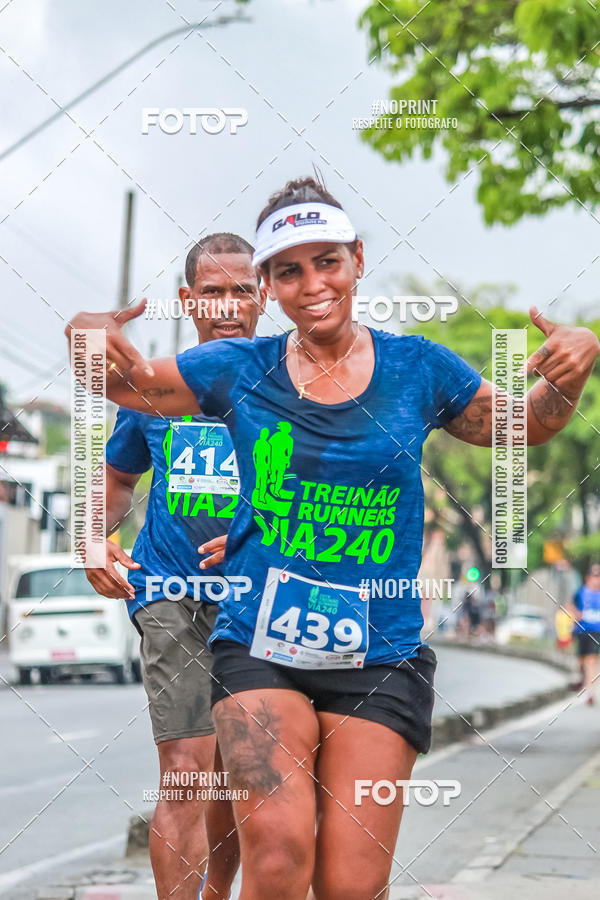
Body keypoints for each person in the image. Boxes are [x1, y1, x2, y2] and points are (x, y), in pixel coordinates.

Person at [66, 175, 600, 900]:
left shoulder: (419, 368)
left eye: (327, 261)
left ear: (355, 259)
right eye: (290, 269)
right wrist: (87, 335)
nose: (312, 283)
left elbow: (526, 424)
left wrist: (572, 364)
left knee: (351, 885)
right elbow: (122, 385)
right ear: (270, 287)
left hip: (379, 653)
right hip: (258, 644)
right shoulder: (235, 369)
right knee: (279, 855)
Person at [83, 232, 265, 900]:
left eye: (241, 290)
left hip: (259, 599)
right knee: (187, 769)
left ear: (264, 295)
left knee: (241, 774)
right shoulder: (158, 389)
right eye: (211, 291)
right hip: (169, 592)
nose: (226, 305)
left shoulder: (293, 384)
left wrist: (263, 534)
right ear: (188, 299)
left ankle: (217, 892)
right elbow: (116, 477)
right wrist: (93, 538)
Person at [569, 563, 600, 705]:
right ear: (589, 577)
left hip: (597, 631)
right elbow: (570, 606)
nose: (597, 579)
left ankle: (590, 693)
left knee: (592, 660)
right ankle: (583, 678)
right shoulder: (581, 592)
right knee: (582, 662)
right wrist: (576, 614)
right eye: (595, 575)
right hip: (581, 631)